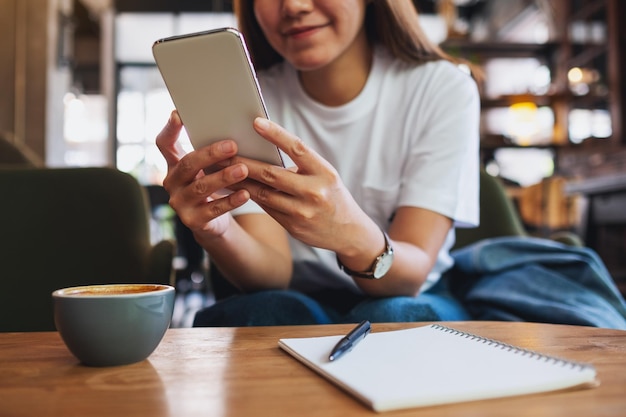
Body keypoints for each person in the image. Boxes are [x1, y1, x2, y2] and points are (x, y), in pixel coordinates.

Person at [156, 0, 480, 326]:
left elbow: (409, 278)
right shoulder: (249, 98)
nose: (294, 6)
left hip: (411, 291)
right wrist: (217, 230)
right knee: (266, 310)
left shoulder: (441, 88)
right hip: (299, 300)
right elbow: (272, 276)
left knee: (393, 315)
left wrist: (349, 233)